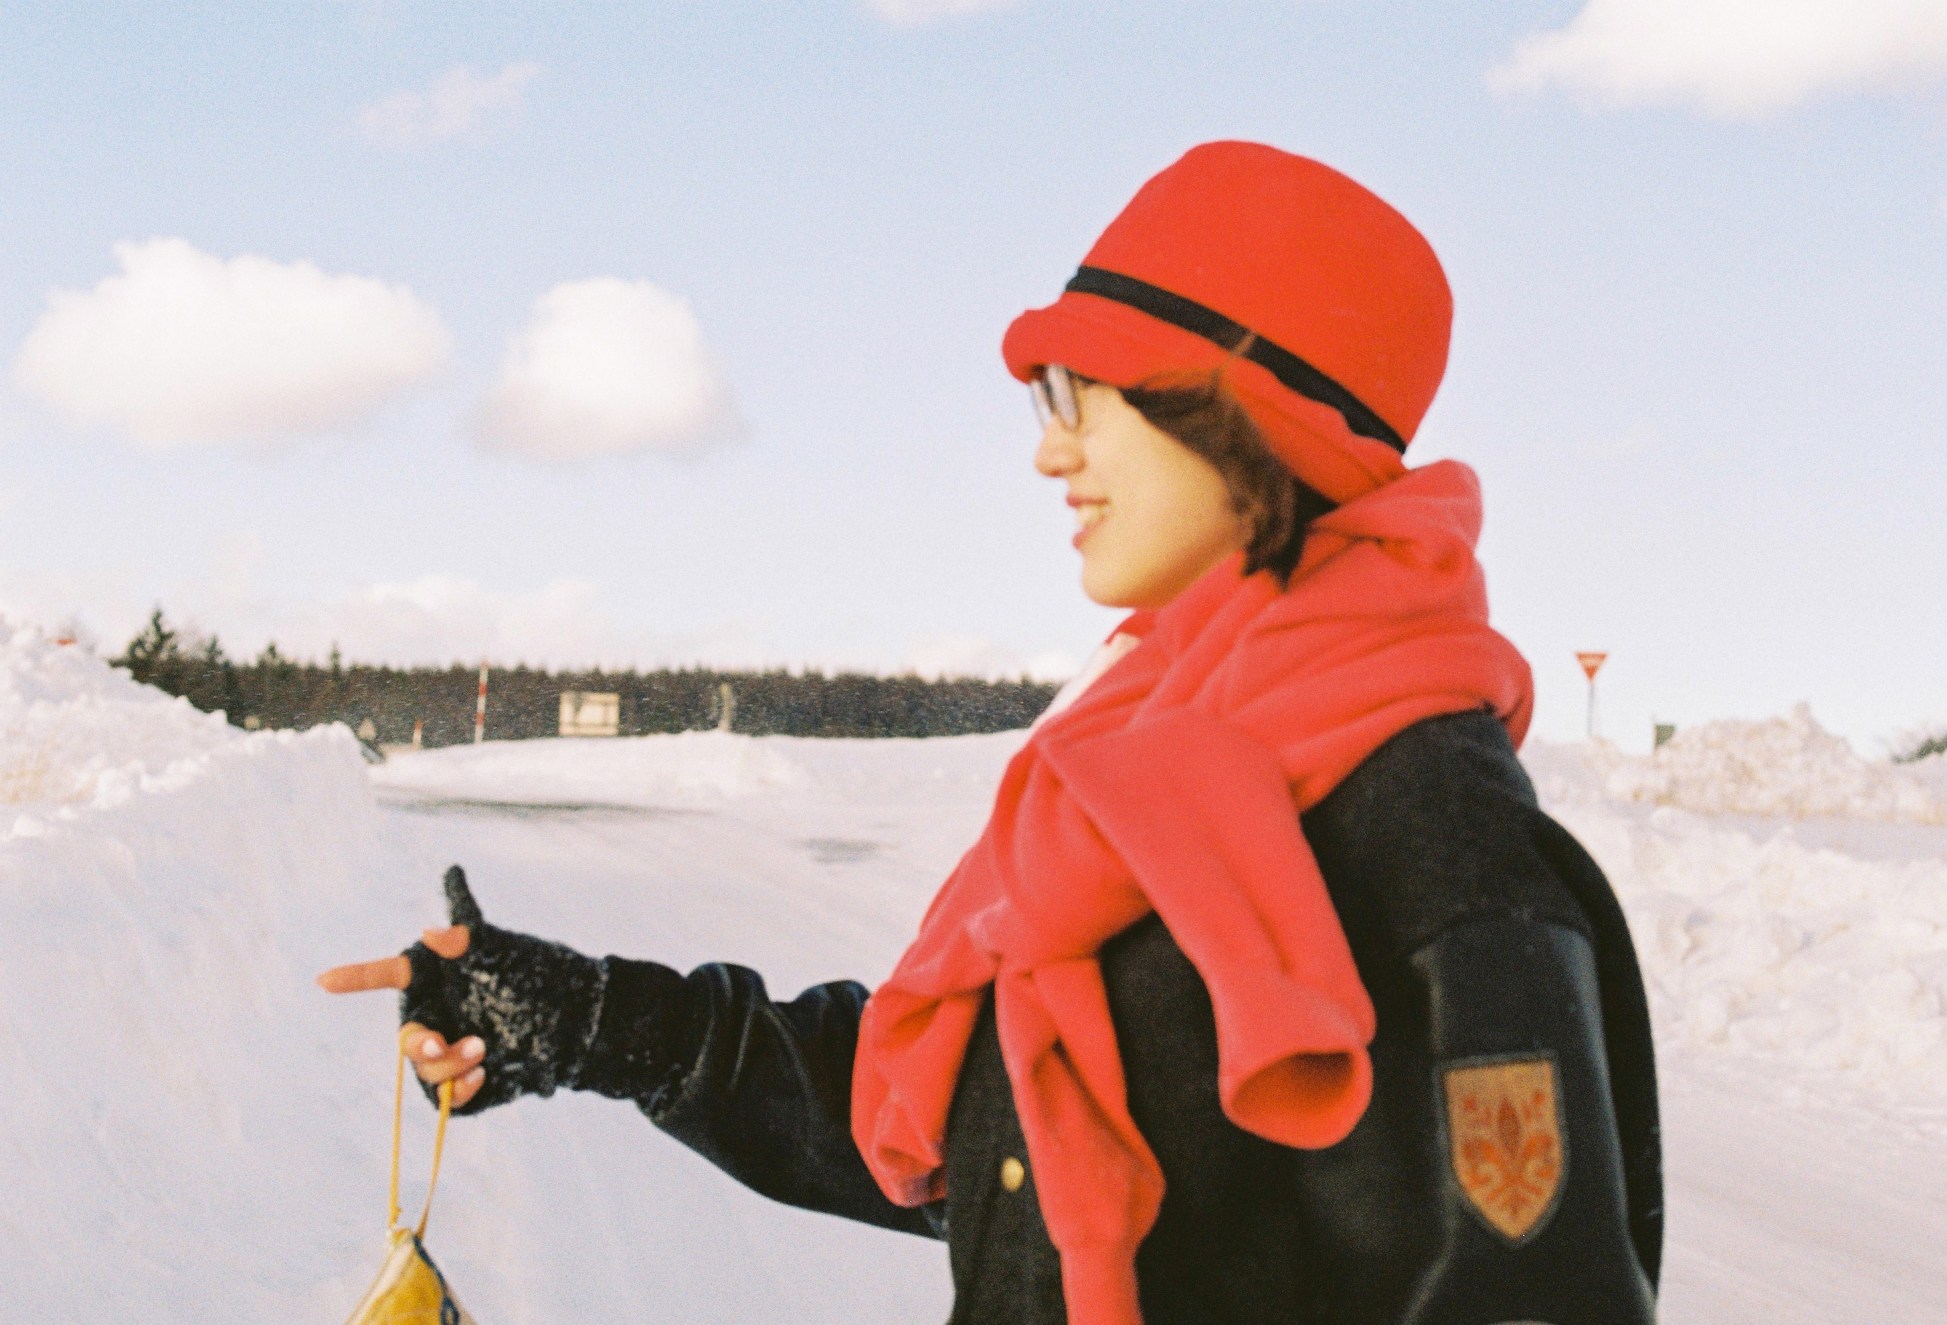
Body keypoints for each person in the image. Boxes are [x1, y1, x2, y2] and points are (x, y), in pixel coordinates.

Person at [321, 140, 1663, 1325]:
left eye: (1087, 394)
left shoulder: (1436, 839)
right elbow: (973, 1133)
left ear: (1244, 406)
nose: (1049, 453)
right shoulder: (1150, 761)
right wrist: (590, 1017)